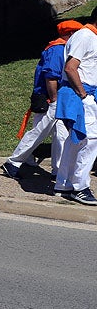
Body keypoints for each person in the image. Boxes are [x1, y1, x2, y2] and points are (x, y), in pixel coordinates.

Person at [2, 20, 82, 180]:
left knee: (61, 134)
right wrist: (53, 99)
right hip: (51, 98)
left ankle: (58, 170)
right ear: (71, 34)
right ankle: (13, 162)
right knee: (40, 131)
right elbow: (51, 76)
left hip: (56, 97)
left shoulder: (62, 48)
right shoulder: (58, 50)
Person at [54, 11, 97, 205]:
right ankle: (80, 186)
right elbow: (71, 67)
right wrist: (84, 95)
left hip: (83, 93)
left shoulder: (88, 36)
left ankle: (64, 183)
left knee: (76, 140)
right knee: (90, 140)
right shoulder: (85, 36)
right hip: (82, 93)